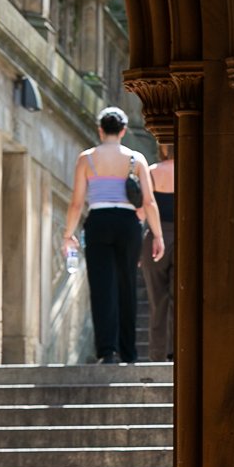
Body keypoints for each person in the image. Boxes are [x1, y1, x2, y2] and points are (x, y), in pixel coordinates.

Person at [61, 107, 165, 365]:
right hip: (128, 224)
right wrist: (158, 235)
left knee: (101, 286)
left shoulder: (87, 159)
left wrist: (68, 234)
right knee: (126, 284)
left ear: (100, 130)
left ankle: (107, 351)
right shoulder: (136, 159)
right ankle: (129, 352)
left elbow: (76, 203)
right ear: (123, 131)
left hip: (98, 221)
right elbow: (149, 201)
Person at [139, 142, 176, 361]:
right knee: (179, 299)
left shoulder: (151, 172)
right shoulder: (192, 170)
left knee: (157, 300)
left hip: (155, 239)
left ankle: (157, 354)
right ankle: (177, 351)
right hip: (184, 239)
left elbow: (141, 212)